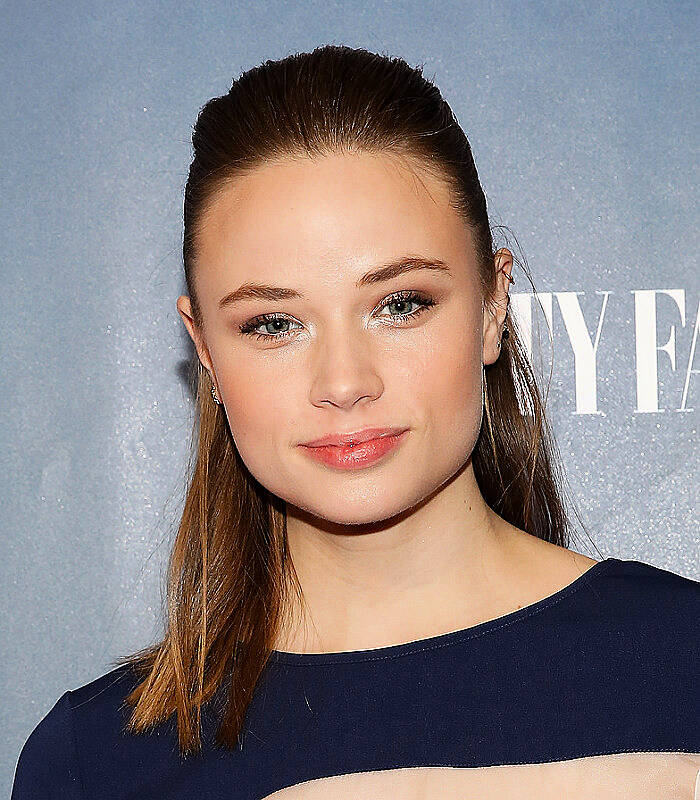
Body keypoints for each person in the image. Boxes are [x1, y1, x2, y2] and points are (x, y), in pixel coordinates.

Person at [11, 44, 699, 799]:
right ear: (204, 348)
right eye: (273, 323)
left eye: (400, 304)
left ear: (492, 308)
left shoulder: (684, 667)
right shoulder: (99, 762)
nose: (344, 383)